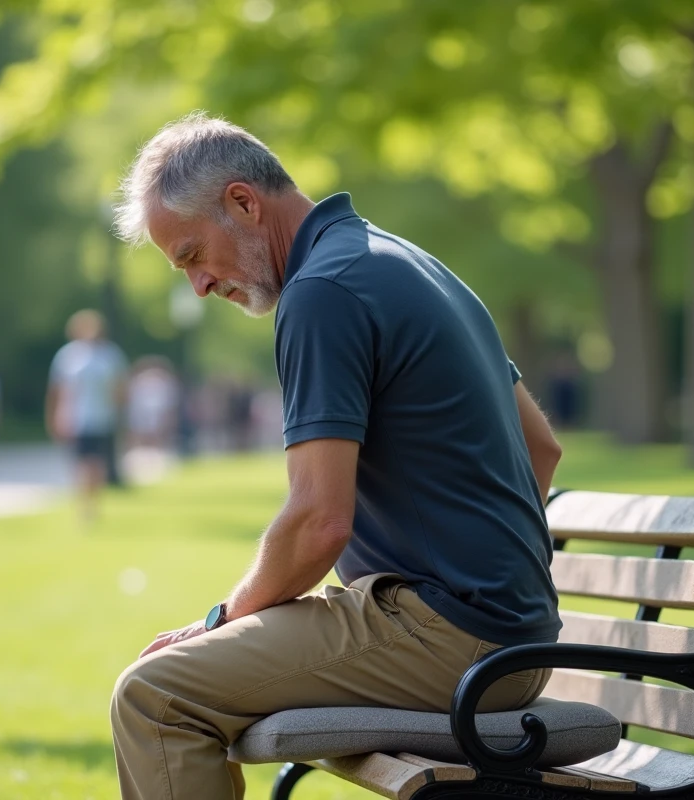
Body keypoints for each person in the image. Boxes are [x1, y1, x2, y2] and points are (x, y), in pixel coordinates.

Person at [108, 113, 565, 799]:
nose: (198, 286)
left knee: (155, 696)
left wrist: (216, 624)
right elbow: (543, 447)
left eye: (193, 255)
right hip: (518, 637)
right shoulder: (407, 262)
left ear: (242, 202)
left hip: (455, 640)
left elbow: (319, 520)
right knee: (173, 686)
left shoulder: (321, 292)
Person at [46, 310, 128, 518]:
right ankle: (84, 504)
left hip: (102, 417)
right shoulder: (67, 356)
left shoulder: (110, 355)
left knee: (96, 464)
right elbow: (57, 390)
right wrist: (54, 416)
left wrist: (120, 414)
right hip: (75, 418)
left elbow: (119, 389)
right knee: (81, 463)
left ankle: (93, 503)